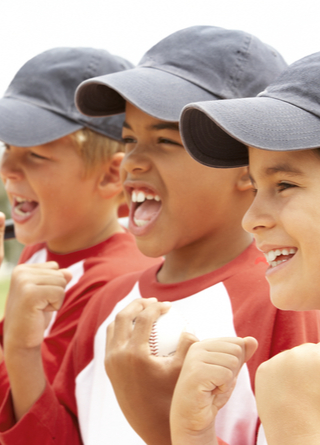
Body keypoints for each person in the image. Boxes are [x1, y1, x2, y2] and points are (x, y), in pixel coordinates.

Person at [0, 26, 318, 445]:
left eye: (167, 140)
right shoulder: (108, 303)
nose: (131, 162)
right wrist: (22, 354)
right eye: (129, 139)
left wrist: (163, 424)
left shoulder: (288, 303)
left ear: (243, 162)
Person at [175, 50, 320, 445]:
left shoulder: (298, 381)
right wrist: (195, 434)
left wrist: (299, 421)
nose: (250, 218)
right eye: (256, 187)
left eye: (285, 185)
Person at [0, 47, 161, 401]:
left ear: (109, 175)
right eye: (8, 147)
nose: (7, 170)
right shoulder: (45, 244)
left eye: (36, 155)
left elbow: (38, 427)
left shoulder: (112, 282)